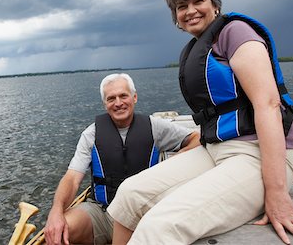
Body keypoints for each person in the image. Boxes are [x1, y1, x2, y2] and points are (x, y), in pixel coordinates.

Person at [108, 0, 293, 245]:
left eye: (198, 1)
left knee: (161, 224)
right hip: (215, 150)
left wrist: (277, 192)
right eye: (181, 6)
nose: (190, 11)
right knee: (129, 193)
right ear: (176, 17)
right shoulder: (195, 49)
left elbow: (267, 105)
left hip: (256, 154)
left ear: (215, 4)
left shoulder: (236, 33)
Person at [43, 73, 207, 245]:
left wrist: (168, 165)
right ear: (104, 104)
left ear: (134, 97)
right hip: (101, 210)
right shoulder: (91, 134)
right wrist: (56, 211)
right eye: (111, 98)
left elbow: (196, 139)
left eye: (123, 96)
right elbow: (72, 179)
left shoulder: (154, 127)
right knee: (60, 233)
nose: (118, 103)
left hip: (141, 215)